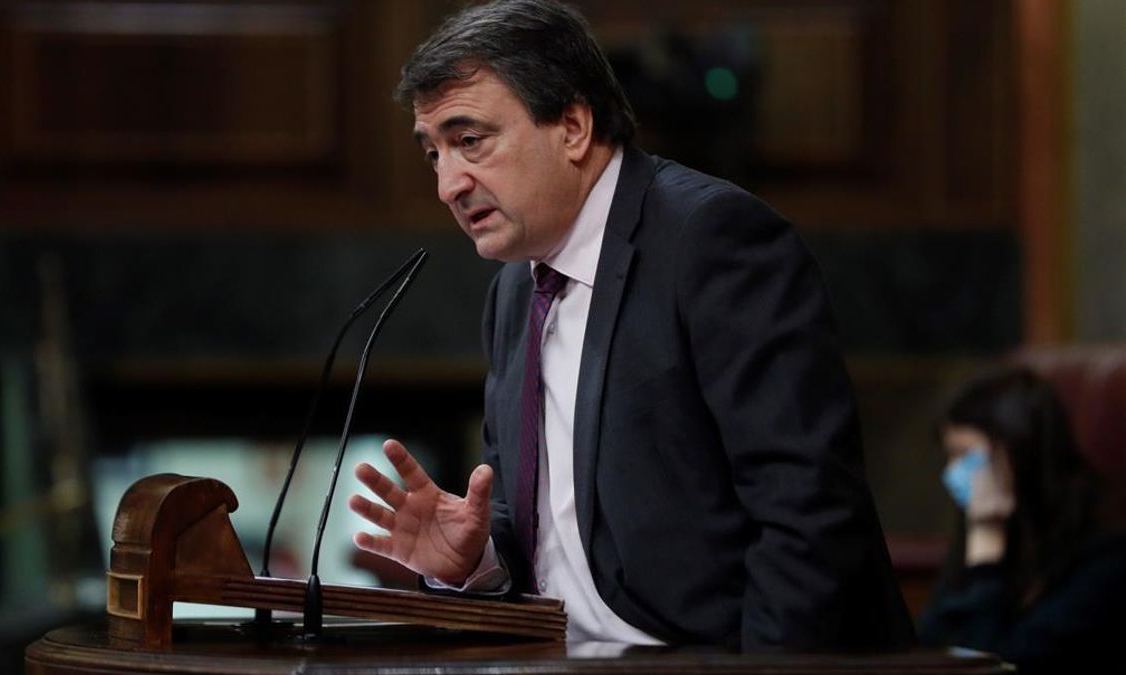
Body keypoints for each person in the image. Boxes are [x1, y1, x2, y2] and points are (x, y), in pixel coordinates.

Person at [346, 0, 914, 650]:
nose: (449, 182)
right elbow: (560, 531)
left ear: (574, 127)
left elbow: (808, 510)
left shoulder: (710, 242)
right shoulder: (513, 291)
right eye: (434, 154)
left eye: (469, 140)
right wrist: (474, 561)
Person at [918, 367, 1126, 672]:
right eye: (949, 456)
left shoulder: (1105, 557)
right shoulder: (987, 532)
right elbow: (929, 640)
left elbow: (993, 663)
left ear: (1019, 449)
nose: (952, 472)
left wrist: (987, 554)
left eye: (965, 454)